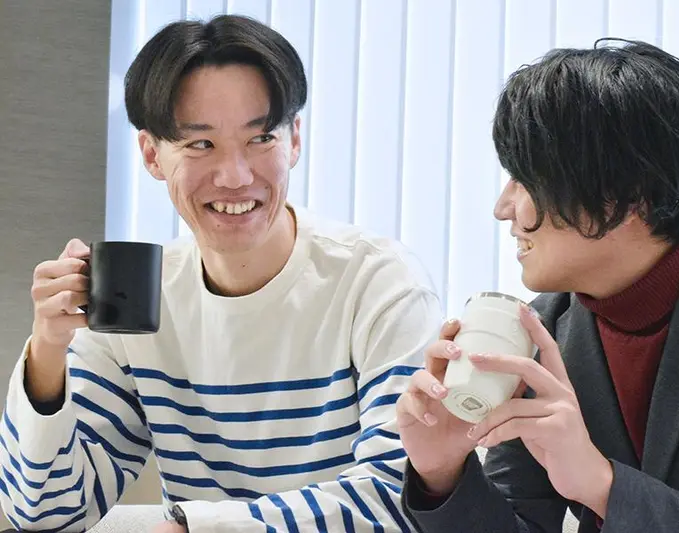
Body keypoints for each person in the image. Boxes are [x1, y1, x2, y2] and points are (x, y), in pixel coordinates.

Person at [0, 14, 441, 533]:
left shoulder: (378, 284)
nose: (235, 176)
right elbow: (45, 514)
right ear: (152, 155)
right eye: (201, 144)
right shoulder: (138, 298)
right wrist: (48, 350)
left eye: (261, 138)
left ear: (295, 140)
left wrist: (201, 526)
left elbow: (398, 496)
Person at [398, 40, 679, 532]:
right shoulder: (543, 329)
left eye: (525, 180)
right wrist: (442, 473)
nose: (503, 208)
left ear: (629, 197)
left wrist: (602, 485)